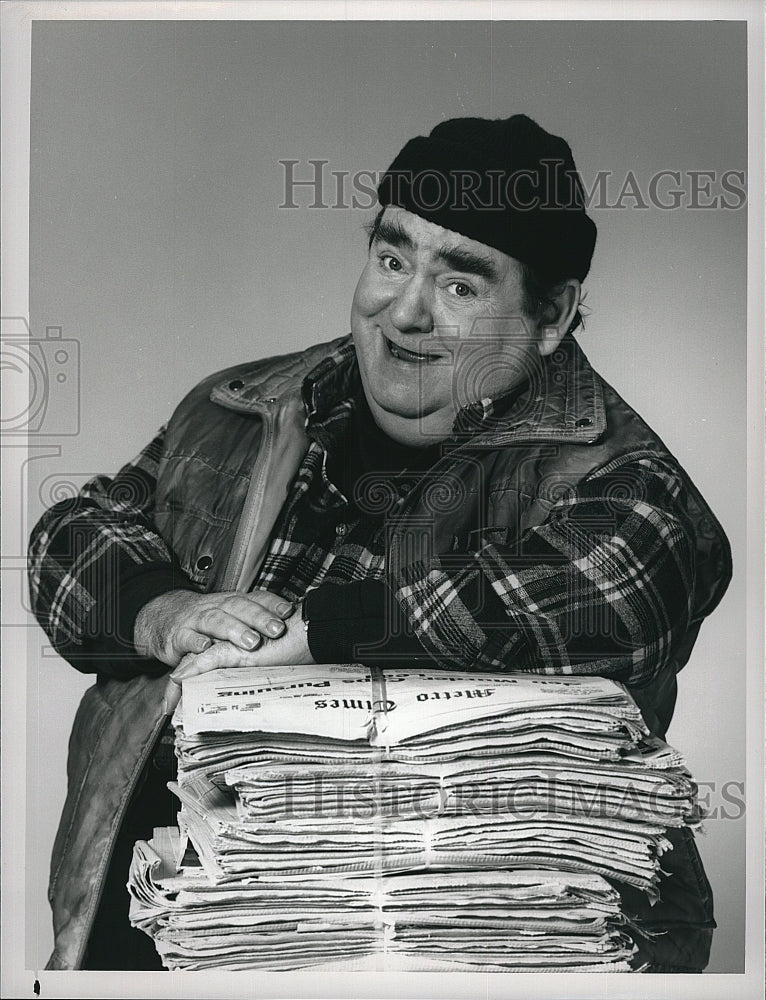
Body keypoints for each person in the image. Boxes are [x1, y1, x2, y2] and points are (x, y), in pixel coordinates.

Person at [29, 114, 731, 972]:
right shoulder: (237, 407)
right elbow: (70, 537)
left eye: (461, 285)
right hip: (154, 942)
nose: (405, 313)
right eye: (392, 259)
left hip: (450, 963)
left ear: (551, 316)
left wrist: (315, 633)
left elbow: (615, 587)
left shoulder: (619, 476)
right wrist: (166, 611)